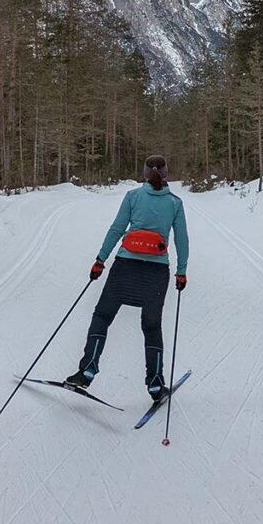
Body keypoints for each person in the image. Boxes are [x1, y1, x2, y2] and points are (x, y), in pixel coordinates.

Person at [66, 155, 189, 401]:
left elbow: (116, 229)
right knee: (152, 327)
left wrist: (100, 260)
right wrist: (181, 271)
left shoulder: (133, 197)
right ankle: (155, 385)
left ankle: (87, 371)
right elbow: (182, 239)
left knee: (102, 316)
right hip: (156, 273)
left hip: (125, 267)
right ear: (165, 174)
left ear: (145, 173)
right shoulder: (175, 203)